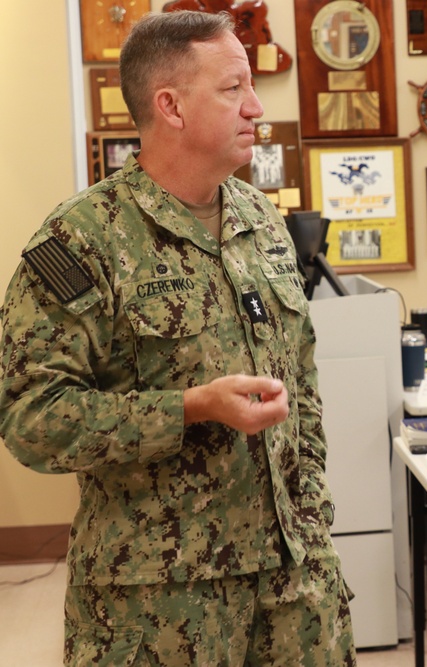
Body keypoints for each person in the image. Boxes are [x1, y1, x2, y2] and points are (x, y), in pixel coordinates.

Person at [0, 12, 355, 665]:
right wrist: (189, 407)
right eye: (232, 89)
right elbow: (31, 419)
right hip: (161, 600)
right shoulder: (82, 240)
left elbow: (300, 385)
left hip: (292, 580)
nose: (256, 108)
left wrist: (312, 513)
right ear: (171, 106)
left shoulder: (261, 222)